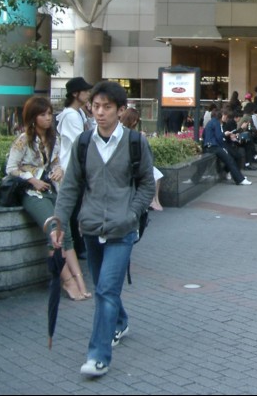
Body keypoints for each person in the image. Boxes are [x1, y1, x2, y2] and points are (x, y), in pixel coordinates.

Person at [51, 81, 156, 378]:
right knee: (103, 289)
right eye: (95, 106)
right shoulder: (84, 143)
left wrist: (132, 214)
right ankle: (120, 321)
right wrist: (59, 222)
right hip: (91, 227)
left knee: (106, 291)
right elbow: (70, 187)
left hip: (122, 231)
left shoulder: (135, 143)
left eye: (107, 107)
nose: (100, 112)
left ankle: (98, 356)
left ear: (121, 111)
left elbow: (147, 184)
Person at [7, 96, 90, 301]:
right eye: (43, 114)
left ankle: (80, 281)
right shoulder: (23, 140)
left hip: (52, 190)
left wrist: (59, 170)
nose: (48, 118)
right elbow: (11, 168)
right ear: (33, 117)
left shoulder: (55, 139)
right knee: (55, 231)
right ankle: (68, 282)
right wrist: (31, 180)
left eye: (50, 114)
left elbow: (56, 164)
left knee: (67, 231)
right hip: (31, 193)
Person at [56, 76, 94, 259]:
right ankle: (75, 247)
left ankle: (78, 246)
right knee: (73, 208)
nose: (88, 94)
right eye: (85, 91)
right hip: (71, 167)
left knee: (77, 206)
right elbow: (81, 141)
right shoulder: (71, 115)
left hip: (75, 166)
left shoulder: (78, 113)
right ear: (75, 94)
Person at [120, 108, 163, 211]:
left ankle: (155, 199)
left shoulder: (129, 131)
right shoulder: (124, 131)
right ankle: (153, 200)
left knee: (156, 174)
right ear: (133, 120)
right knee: (153, 175)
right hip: (132, 162)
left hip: (136, 161)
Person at [194, 111, 253, 186]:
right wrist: (223, 147)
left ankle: (194, 179)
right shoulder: (217, 123)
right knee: (230, 160)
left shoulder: (210, 123)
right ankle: (240, 179)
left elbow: (204, 135)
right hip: (214, 146)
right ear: (220, 117)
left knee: (204, 164)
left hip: (208, 146)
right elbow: (219, 137)